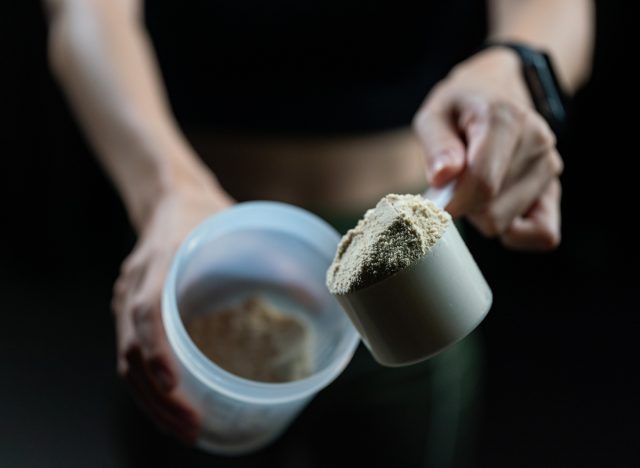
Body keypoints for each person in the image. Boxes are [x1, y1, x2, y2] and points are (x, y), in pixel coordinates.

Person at [44, 0, 594, 465]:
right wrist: (165, 189)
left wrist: (514, 65)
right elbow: (87, 15)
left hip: (408, 274)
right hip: (194, 247)